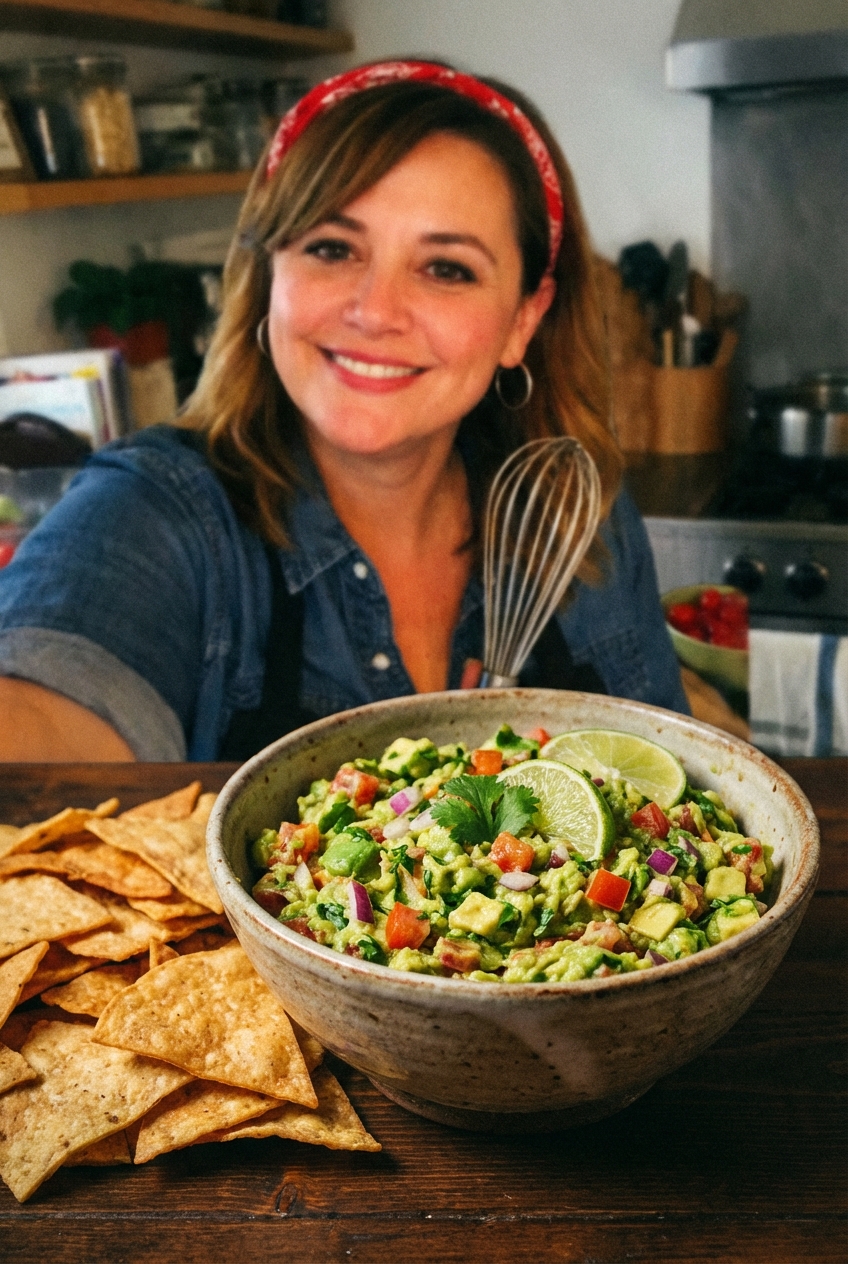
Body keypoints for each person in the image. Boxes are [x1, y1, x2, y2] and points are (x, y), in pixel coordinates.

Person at [0, 60, 688, 762]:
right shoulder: (158, 512)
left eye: (446, 268)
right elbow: (38, 725)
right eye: (332, 249)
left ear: (523, 320)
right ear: (270, 276)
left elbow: (678, 779)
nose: (375, 312)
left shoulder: (577, 508)